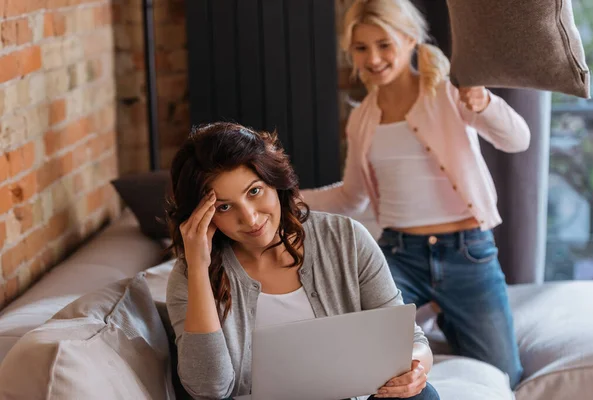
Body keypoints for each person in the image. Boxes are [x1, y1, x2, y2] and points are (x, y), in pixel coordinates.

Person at [300, 0, 528, 389]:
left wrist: (486, 104)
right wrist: (290, 200)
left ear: (409, 40)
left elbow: (518, 139)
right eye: (361, 48)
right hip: (399, 255)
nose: (372, 58)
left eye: (384, 44)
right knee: (362, 355)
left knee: (506, 372)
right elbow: (351, 198)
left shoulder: (448, 93)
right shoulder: (362, 118)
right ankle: (433, 323)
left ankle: (447, 318)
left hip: (468, 253)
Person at [165, 122, 440, 400]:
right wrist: (199, 268)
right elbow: (208, 389)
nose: (249, 218)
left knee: (422, 395)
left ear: (274, 182)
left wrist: (414, 370)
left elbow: (411, 342)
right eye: (224, 207)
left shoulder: (346, 238)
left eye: (254, 191)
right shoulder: (190, 275)